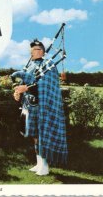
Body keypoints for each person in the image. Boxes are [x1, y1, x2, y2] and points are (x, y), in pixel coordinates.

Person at [13, 39, 68, 176]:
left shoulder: (48, 64)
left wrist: (27, 87)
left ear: (43, 51)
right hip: (30, 105)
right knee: (34, 135)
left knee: (42, 134)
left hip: (43, 105)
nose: (33, 52)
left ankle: (45, 165)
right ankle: (38, 163)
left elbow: (47, 83)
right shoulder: (30, 65)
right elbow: (23, 82)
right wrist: (17, 91)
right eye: (32, 50)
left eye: (37, 49)